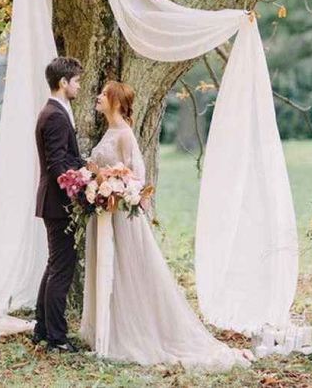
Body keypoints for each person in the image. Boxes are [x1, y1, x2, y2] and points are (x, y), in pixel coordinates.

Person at [80, 80, 253, 369]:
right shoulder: (109, 131)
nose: (98, 97)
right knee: (107, 268)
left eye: (104, 94)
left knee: (127, 270)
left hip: (120, 215)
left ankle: (130, 332)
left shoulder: (124, 134)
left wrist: (113, 185)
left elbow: (137, 174)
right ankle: (105, 330)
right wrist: (94, 178)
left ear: (117, 102)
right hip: (104, 212)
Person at [34, 56, 84, 352]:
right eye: (75, 81)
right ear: (63, 83)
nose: (78, 85)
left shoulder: (57, 111)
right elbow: (57, 165)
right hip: (58, 202)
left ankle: (43, 328)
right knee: (62, 270)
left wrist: (85, 166)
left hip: (54, 201)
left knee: (55, 265)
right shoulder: (54, 115)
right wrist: (80, 188)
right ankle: (56, 337)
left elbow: (66, 158)